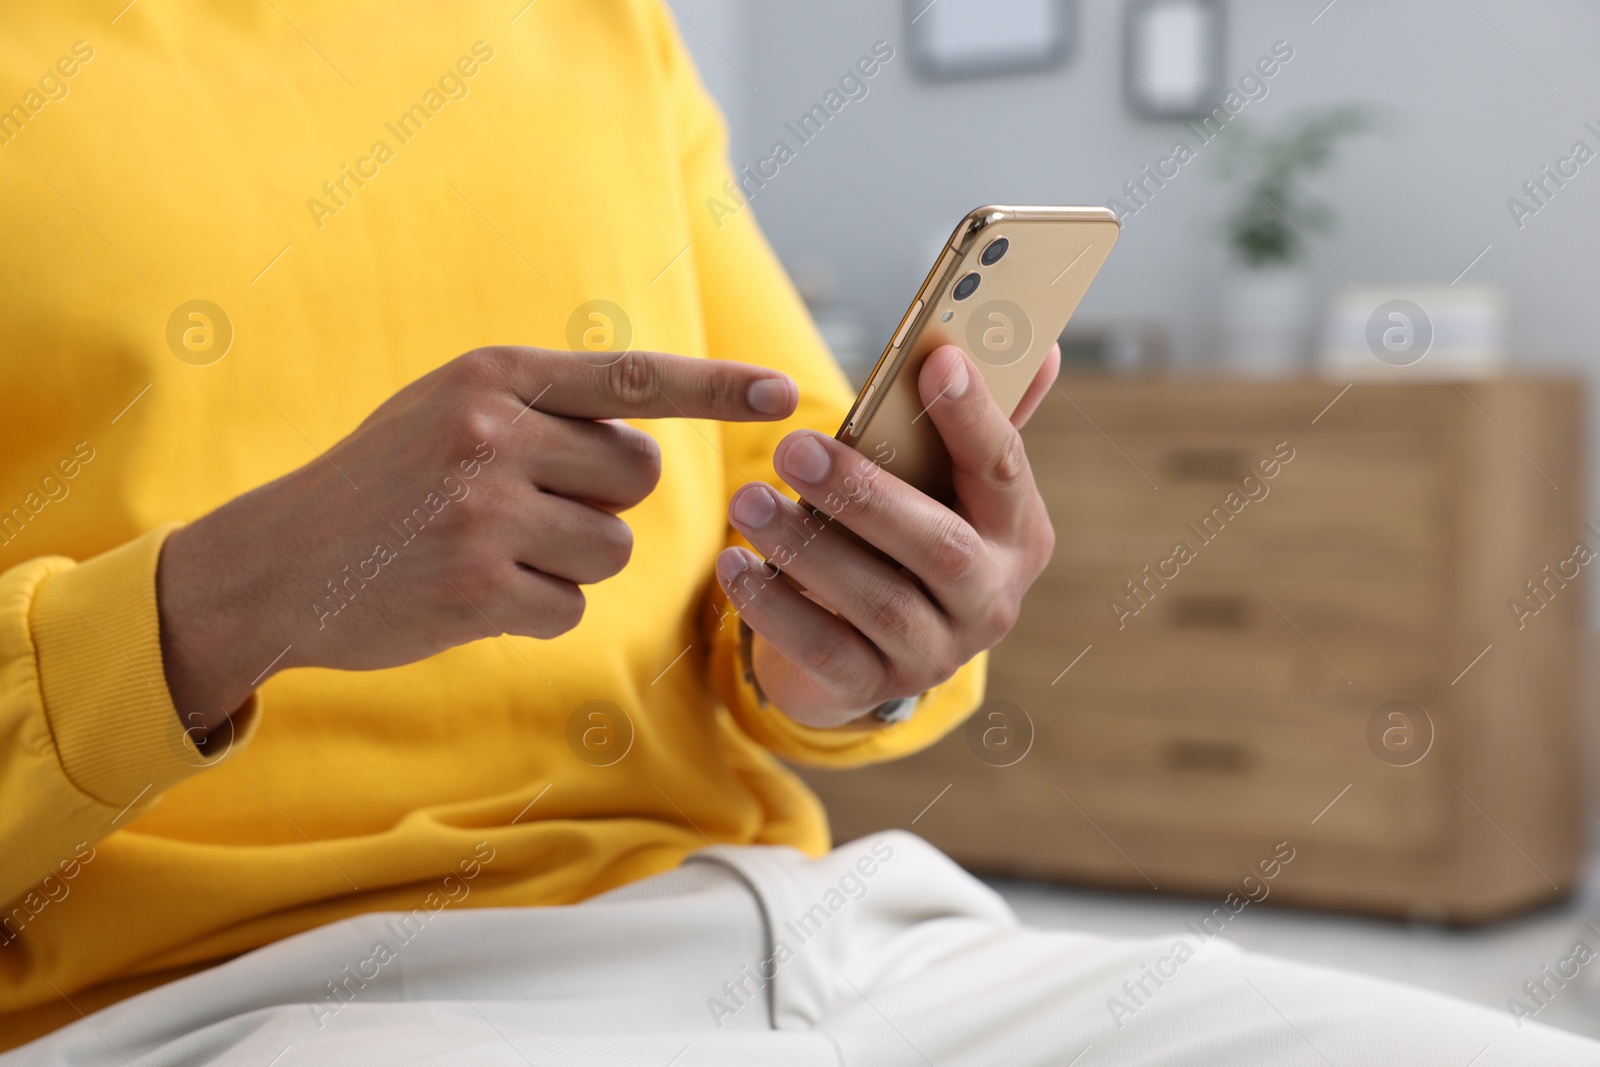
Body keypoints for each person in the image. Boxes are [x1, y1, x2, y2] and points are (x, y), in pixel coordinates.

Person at [0, 2, 1594, 1064]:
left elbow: (763, 576)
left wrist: (858, 650)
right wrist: (219, 602)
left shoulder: (596, 28)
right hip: (251, 1000)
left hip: (825, 938)